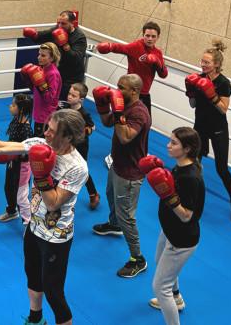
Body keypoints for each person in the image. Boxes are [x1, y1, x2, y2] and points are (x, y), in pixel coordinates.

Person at [0, 109, 88, 325]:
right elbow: (1, 147)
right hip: (33, 227)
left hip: (56, 237)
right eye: (46, 128)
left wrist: (41, 173)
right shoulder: (41, 144)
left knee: (54, 292)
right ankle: (35, 319)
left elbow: (53, 202)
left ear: (69, 137)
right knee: (32, 276)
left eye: (52, 132)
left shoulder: (77, 167)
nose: (46, 134)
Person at [140, 128, 205, 324]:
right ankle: (176, 297)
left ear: (187, 148)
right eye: (170, 141)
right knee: (159, 259)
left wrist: (169, 196)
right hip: (169, 229)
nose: (168, 145)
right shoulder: (180, 167)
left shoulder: (190, 177)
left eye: (174, 143)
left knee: (160, 287)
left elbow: (187, 216)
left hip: (182, 238)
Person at [92, 74, 151, 278]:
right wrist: (102, 106)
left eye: (121, 87)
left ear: (134, 91)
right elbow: (109, 123)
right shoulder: (124, 104)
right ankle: (113, 224)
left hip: (130, 172)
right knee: (110, 196)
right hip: (116, 164)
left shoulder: (140, 113)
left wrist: (117, 112)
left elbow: (125, 137)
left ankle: (138, 259)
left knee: (127, 216)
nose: (117, 90)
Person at [185, 40, 231, 222]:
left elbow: (223, 109)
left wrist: (211, 94)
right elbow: (193, 105)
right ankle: (191, 200)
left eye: (207, 62)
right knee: (194, 164)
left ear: (216, 64)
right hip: (200, 126)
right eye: (202, 61)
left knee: (221, 169)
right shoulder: (198, 78)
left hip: (218, 129)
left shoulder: (224, 83)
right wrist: (191, 92)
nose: (203, 64)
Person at [97, 21, 166, 169]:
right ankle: (113, 155)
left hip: (144, 95)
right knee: (120, 121)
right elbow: (120, 48)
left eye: (153, 36)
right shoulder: (136, 46)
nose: (150, 39)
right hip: (128, 94)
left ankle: (140, 154)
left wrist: (158, 63)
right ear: (143, 35)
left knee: (145, 125)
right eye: (147, 35)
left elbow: (163, 74)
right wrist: (108, 47)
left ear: (158, 37)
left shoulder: (157, 53)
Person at [23, 10, 87, 101]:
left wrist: (64, 44)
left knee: (65, 105)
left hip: (71, 78)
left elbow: (75, 58)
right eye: (59, 23)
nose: (60, 26)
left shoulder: (79, 37)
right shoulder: (57, 29)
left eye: (64, 23)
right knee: (51, 99)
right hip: (57, 73)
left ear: (73, 23)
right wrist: (33, 35)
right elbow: (41, 36)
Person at [0, 94, 34, 224]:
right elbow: (11, 141)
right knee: (8, 187)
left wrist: (8, 153)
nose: (10, 107)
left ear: (21, 109)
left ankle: (28, 223)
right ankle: (12, 211)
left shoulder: (26, 129)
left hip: (22, 165)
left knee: (21, 196)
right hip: (12, 161)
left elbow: (27, 152)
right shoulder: (16, 120)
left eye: (13, 105)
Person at [66, 83, 99, 210]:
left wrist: (79, 131)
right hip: (68, 143)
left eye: (73, 95)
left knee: (82, 170)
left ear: (81, 99)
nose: (69, 97)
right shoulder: (66, 108)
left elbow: (92, 127)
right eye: (69, 93)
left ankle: (93, 193)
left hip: (81, 145)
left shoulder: (84, 113)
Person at [21, 43, 62, 138]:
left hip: (46, 115)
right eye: (39, 54)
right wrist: (28, 80)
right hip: (39, 110)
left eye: (43, 55)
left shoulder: (53, 74)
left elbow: (49, 98)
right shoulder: (41, 69)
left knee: (42, 142)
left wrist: (41, 84)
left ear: (52, 58)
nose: (39, 57)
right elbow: (36, 90)